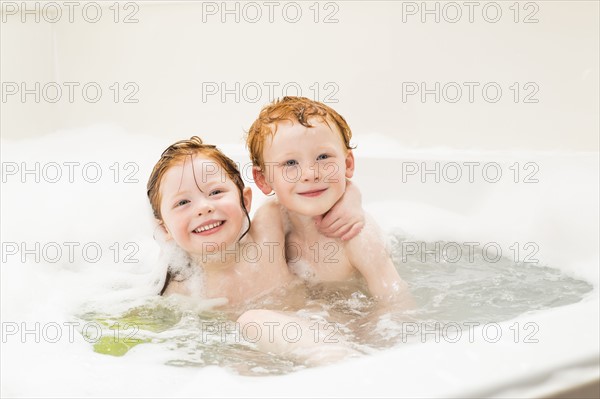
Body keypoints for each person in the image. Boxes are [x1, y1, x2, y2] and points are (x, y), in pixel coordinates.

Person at [146, 136, 361, 363]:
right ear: (164, 229)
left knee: (252, 321)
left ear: (245, 200)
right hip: (266, 359)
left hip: (330, 332)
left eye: (216, 192)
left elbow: (317, 191)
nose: (204, 208)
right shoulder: (177, 287)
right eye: (182, 203)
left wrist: (352, 199)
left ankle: (343, 368)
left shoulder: (269, 227)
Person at [247, 96, 412, 305]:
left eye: (323, 157)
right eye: (290, 163)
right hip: (304, 320)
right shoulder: (271, 217)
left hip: (357, 326)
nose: (310, 174)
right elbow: (265, 287)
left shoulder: (358, 237)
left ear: (348, 164)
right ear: (263, 179)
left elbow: (396, 303)